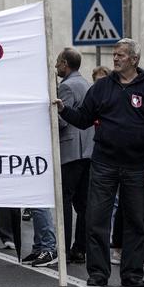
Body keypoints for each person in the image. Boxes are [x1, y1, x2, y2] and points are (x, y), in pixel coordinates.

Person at [57, 39, 144, 287]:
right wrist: (64, 109)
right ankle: (97, 272)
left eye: (121, 55)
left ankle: (132, 274)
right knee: (97, 219)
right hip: (104, 163)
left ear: (134, 60)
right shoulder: (102, 87)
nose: (115, 59)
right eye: (114, 55)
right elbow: (84, 119)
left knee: (136, 221)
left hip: (137, 165)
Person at [54, 48, 93, 264]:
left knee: (65, 200)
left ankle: (64, 248)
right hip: (88, 150)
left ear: (66, 64)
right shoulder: (87, 83)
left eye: (58, 62)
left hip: (71, 150)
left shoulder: (67, 86)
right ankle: (80, 247)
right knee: (83, 203)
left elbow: (62, 119)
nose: (56, 66)